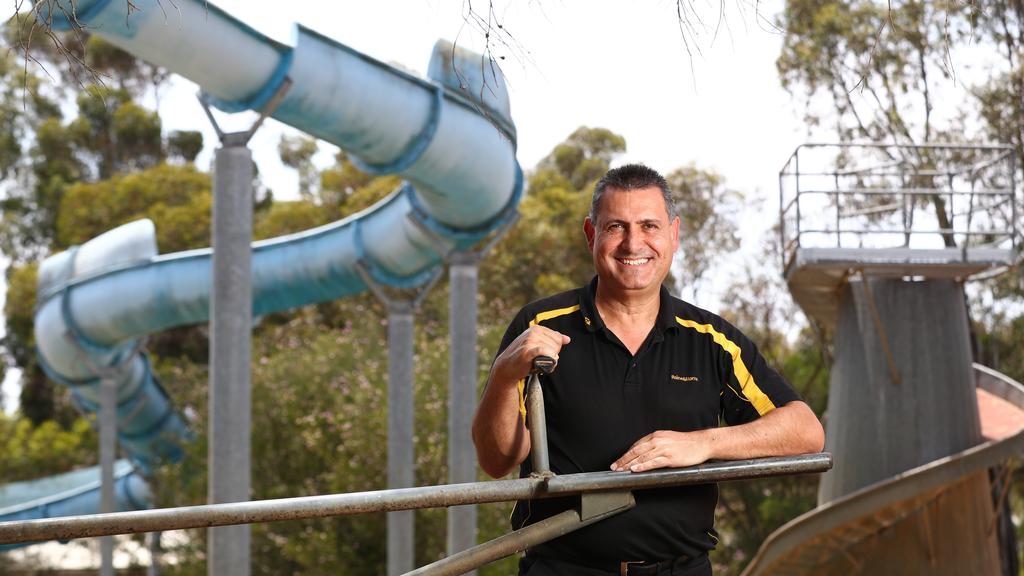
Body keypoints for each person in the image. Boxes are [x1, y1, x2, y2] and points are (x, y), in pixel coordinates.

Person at [472, 163, 825, 576]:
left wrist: (702, 444)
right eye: (616, 227)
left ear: (673, 235)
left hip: (682, 569)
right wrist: (504, 374)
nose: (633, 243)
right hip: (563, 568)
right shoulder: (540, 327)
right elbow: (497, 461)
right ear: (592, 235)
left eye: (649, 226)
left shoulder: (712, 341)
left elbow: (805, 431)